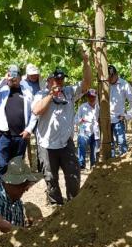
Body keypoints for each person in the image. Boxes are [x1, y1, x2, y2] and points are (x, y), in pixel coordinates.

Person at [32, 49, 92, 205]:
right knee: (51, 178)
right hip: (46, 144)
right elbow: (37, 110)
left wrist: (86, 62)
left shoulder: (69, 92)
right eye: (56, 79)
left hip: (66, 143)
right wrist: (51, 95)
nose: (60, 82)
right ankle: (55, 205)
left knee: (73, 175)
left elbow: (86, 84)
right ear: (49, 80)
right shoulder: (41, 94)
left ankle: (73, 205)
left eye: (62, 79)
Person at [0, 65, 38, 183]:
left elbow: (34, 113)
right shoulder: (2, 89)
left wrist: (29, 129)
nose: (14, 79)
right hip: (4, 135)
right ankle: (1, 191)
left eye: (16, 76)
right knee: (2, 165)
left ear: (20, 77)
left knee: (16, 167)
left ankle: (13, 195)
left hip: (21, 136)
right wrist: (4, 80)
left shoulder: (27, 92)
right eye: (11, 76)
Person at [0, 156, 43, 232]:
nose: (26, 189)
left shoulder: (18, 203)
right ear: (10, 184)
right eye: (23, 185)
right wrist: (27, 233)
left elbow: (18, 228)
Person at [107, 64, 132, 157]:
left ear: (116, 74)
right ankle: (112, 165)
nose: (110, 79)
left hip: (118, 119)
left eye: (111, 76)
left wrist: (127, 116)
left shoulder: (124, 84)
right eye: (108, 77)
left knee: (122, 142)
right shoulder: (105, 85)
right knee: (109, 144)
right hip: (106, 119)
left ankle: (125, 164)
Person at [76, 89, 99, 169]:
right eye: (89, 96)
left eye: (93, 97)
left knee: (95, 150)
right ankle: (81, 164)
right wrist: (81, 120)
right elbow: (76, 119)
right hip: (84, 130)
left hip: (96, 131)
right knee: (81, 144)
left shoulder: (99, 107)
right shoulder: (82, 107)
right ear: (87, 97)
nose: (91, 98)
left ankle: (93, 165)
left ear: (96, 97)